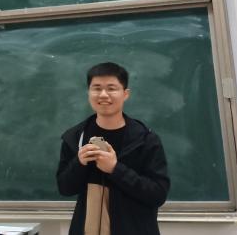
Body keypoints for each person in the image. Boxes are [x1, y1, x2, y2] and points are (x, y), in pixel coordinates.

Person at [56, 62, 170, 235]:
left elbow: (157, 195)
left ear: (125, 94)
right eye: (96, 88)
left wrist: (115, 169)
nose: (103, 94)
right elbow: (65, 189)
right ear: (88, 93)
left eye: (111, 88)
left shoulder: (145, 139)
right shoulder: (75, 137)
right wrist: (79, 163)